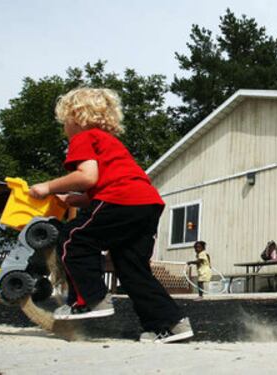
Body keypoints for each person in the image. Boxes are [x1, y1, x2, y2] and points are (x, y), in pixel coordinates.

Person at [29, 87, 192, 343]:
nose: (64, 129)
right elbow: (106, 185)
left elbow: (87, 177)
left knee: (74, 236)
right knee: (132, 268)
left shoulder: (84, 138)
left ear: (76, 118)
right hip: (146, 204)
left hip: (122, 200)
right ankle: (170, 324)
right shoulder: (112, 144)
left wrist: (47, 187)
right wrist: (73, 199)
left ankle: (89, 299)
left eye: (64, 123)